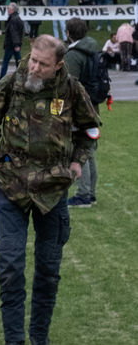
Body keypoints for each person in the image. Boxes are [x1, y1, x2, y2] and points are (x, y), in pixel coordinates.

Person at [0, 35, 99, 345]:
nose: (34, 67)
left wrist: (78, 162)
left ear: (58, 64)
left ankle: (39, 336)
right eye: (33, 60)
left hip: (53, 191)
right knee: (11, 266)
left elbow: (90, 130)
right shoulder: (12, 84)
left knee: (48, 268)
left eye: (43, 64)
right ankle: (12, 343)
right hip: (12, 187)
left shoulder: (72, 90)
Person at [63, 17, 104, 209]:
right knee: (89, 150)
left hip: (79, 109)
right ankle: (91, 193)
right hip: (93, 105)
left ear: (68, 33)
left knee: (80, 151)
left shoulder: (73, 55)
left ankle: (84, 194)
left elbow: (69, 86)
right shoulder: (93, 48)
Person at [0, 1, 25, 82]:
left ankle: (1, 79)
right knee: (19, 63)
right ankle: (22, 79)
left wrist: (16, 45)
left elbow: (14, 33)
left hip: (11, 44)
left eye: (9, 9)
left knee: (5, 63)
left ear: (13, 10)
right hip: (15, 44)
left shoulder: (13, 19)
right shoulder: (16, 18)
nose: (8, 10)